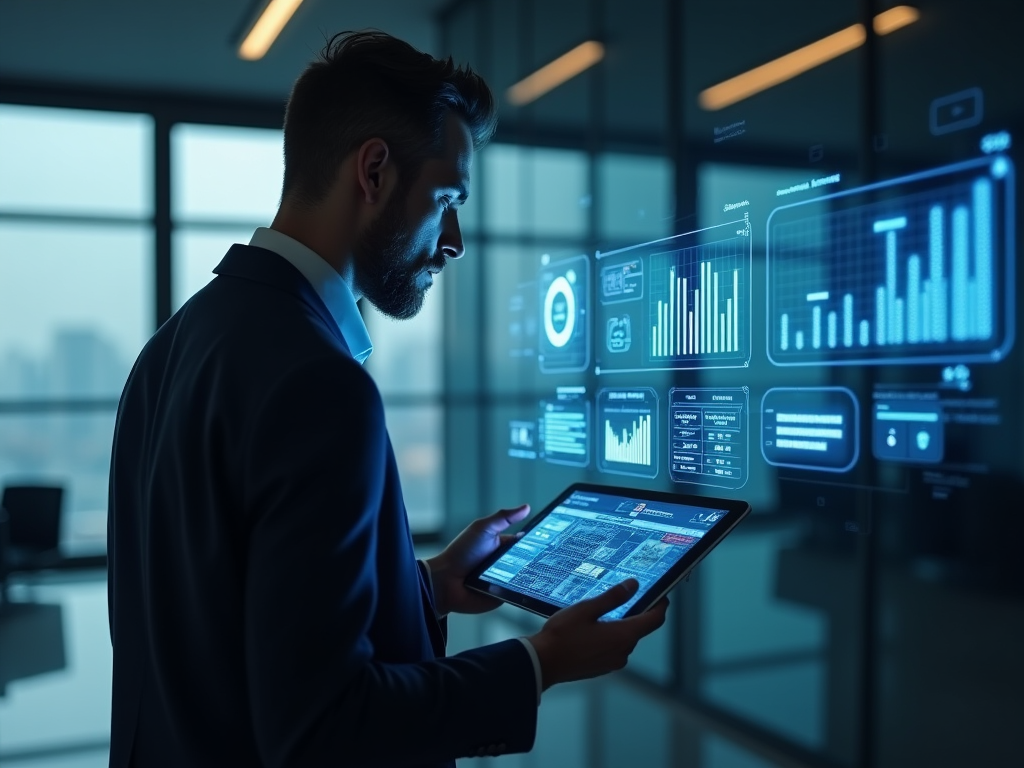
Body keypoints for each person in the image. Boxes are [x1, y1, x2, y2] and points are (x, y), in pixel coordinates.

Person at [107, 30, 667, 768]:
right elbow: (324, 728)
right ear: (373, 171)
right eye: (447, 199)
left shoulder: (174, 346)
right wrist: (541, 662)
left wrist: (427, 584)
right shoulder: (318, 381)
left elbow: (227, 612)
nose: (455, 239)